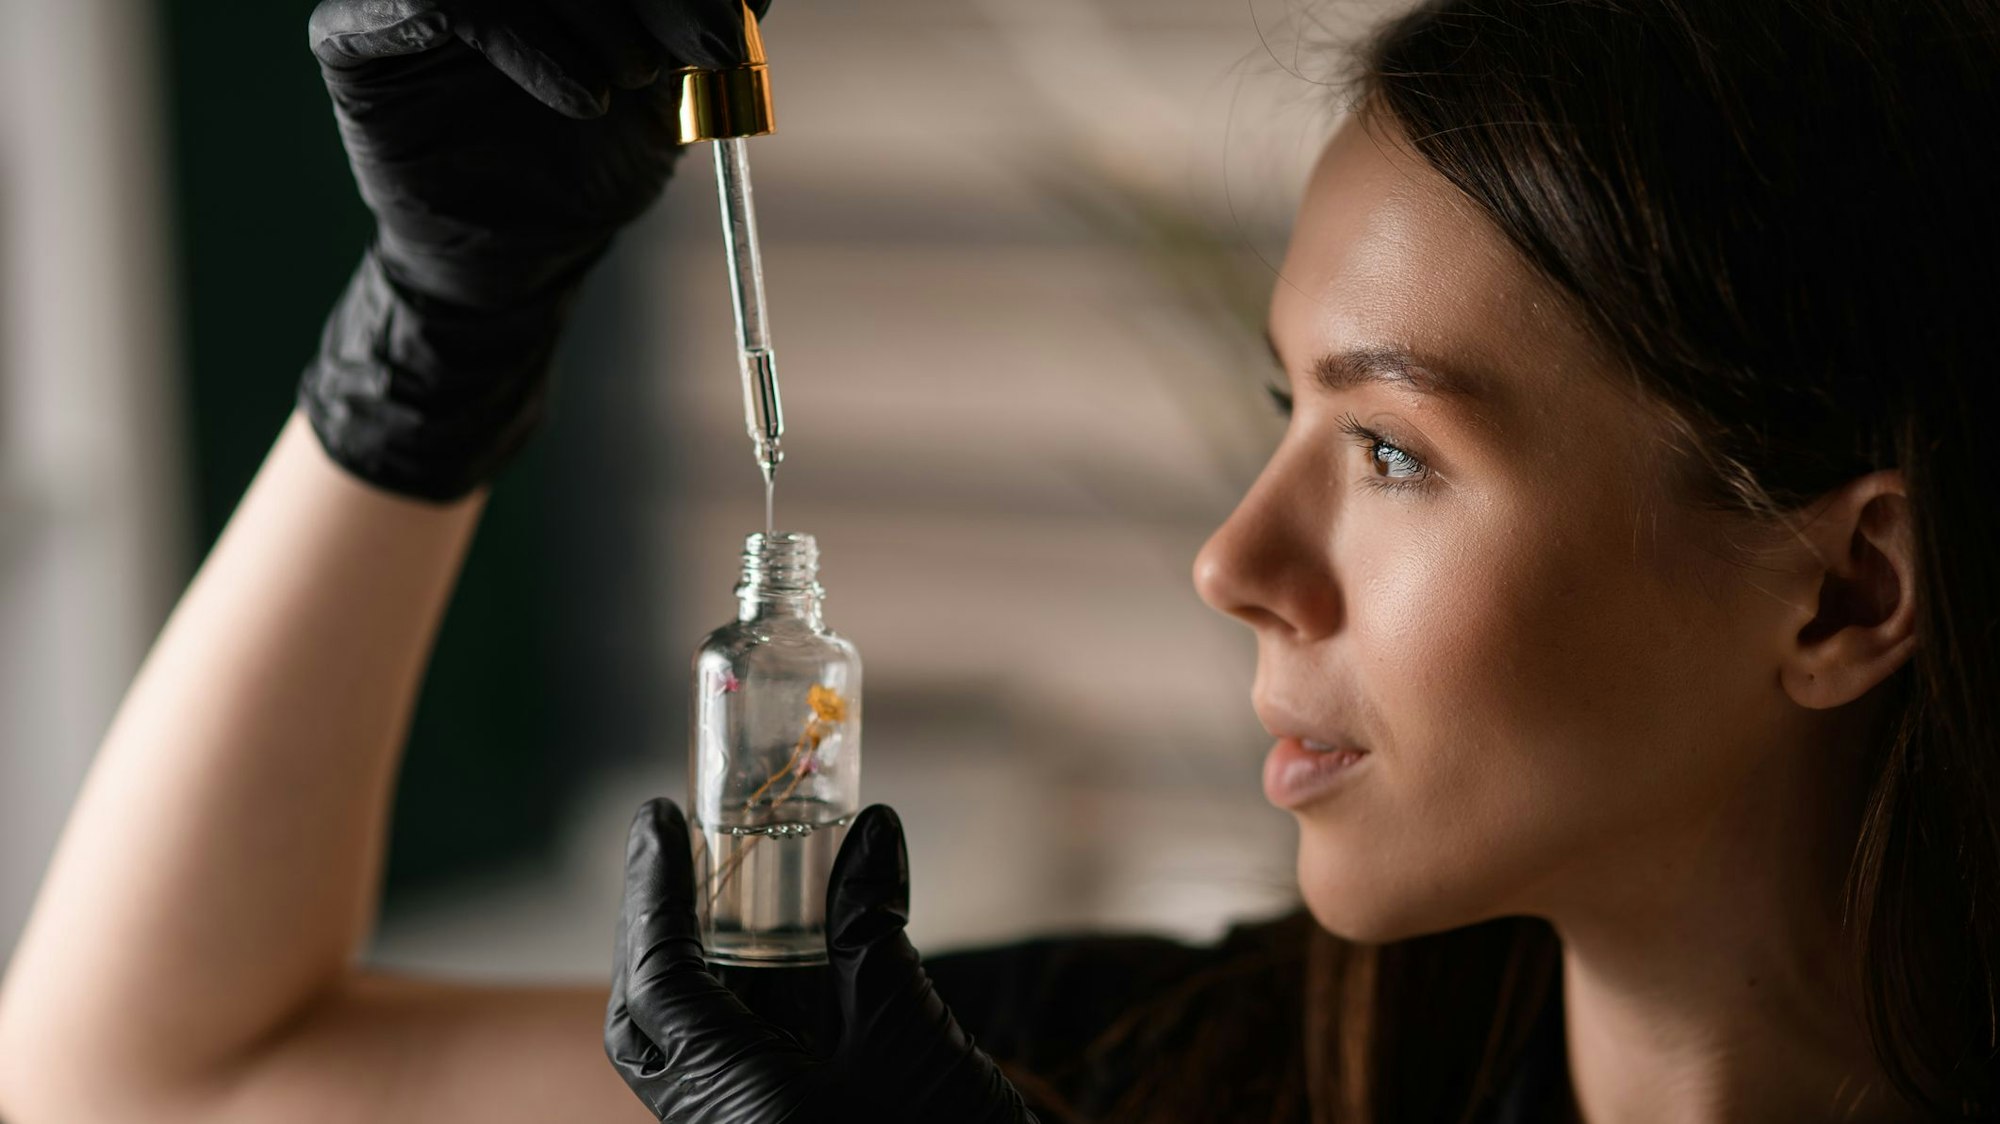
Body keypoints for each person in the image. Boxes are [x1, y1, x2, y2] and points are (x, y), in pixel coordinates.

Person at [0, 0, 1993, 1119]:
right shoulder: (1166, 1077)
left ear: (1842, 595)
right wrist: (436, 340)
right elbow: (153, 1086)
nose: (1235, 557)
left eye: (1392, 449)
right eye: (1281, 412)